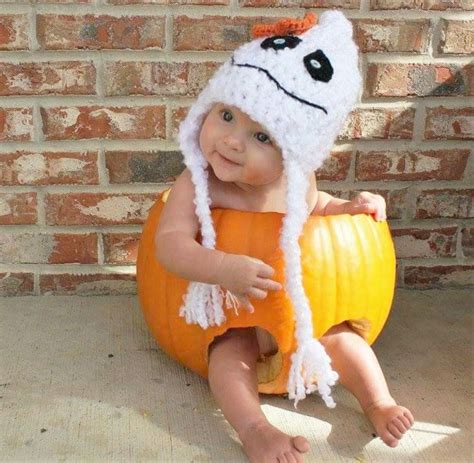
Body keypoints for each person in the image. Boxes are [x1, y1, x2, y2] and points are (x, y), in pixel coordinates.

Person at [154, 10, 414, 463]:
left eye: (261, 135)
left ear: (294, 155)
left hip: (307, 323)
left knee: (347, 343)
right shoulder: (197, 183)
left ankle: (377, 403)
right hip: (236, 320)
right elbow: (170, 244)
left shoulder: (300, 182)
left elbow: (318, 209)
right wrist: (222, 268)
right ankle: (254, 428)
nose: (233, 141)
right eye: (227, 115)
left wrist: (350, 209)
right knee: (227, 357)